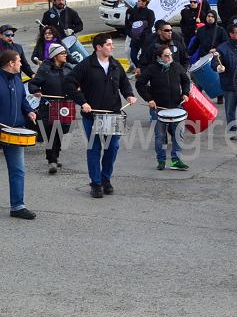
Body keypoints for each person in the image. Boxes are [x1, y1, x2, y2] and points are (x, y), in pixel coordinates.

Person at [65, 33, 137, 198]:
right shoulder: (85, 65)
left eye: (112, 44)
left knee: (113, 147)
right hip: (93, 115)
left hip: (113, 115)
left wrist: (129, 94)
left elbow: (125, 84)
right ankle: (95, 184)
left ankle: (106, 179)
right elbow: (69, 84)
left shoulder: (115, 65)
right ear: (98, 47)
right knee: (94, 149)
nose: (112, 47)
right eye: (109, 44)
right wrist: (82, 102)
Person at [135, 44, 191, 171]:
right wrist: (149, 99)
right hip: (159, 109)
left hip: (177, 107)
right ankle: (161, 160)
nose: (169, 57)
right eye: (166, 56)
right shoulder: (152, 69)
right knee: (160, 136)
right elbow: (140, 84)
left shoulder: (176, 66)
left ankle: (176, 160)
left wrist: (185, 93)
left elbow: (186, 81)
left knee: (179, 134)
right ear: (159, 57)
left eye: (170, 55)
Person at [0, 50, 37, 219]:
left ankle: (17, 207)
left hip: (14, 131)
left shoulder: (17, 78)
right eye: (19, 61)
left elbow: (23, 100)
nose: (22, 64)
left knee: (18, 170)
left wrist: (29, 111)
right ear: (11, 64)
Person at [27, 43, 72, 173]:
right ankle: (51, 160)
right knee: (51, 131)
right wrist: (36, 91)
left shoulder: (69, 68)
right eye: (62, 53)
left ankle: (56, 156)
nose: (65, 55)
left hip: (65, 105)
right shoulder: (45, 69)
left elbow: (76, 82)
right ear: (55, 56)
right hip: (49, 104)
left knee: (62, 131)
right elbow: (33, 84)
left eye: (65, 53)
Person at [214, 24, 237, 136]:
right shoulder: (222, 48)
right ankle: (232, 132)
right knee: (230, 111)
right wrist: (218, 67)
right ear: (231, 34)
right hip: (229, 85)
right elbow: (215, 61)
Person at [124, 0, 156, 70]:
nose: (137, 2)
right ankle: (140, 68)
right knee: (133, 55)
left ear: (144, 3)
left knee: (144, 56)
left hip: (145, 38)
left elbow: (150, 25)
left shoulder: (150, 12)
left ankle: (144, 71)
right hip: (135, 38)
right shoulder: (134, 11)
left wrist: (141, 31)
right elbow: (130, 21)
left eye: (139, 1)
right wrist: (132, 31)